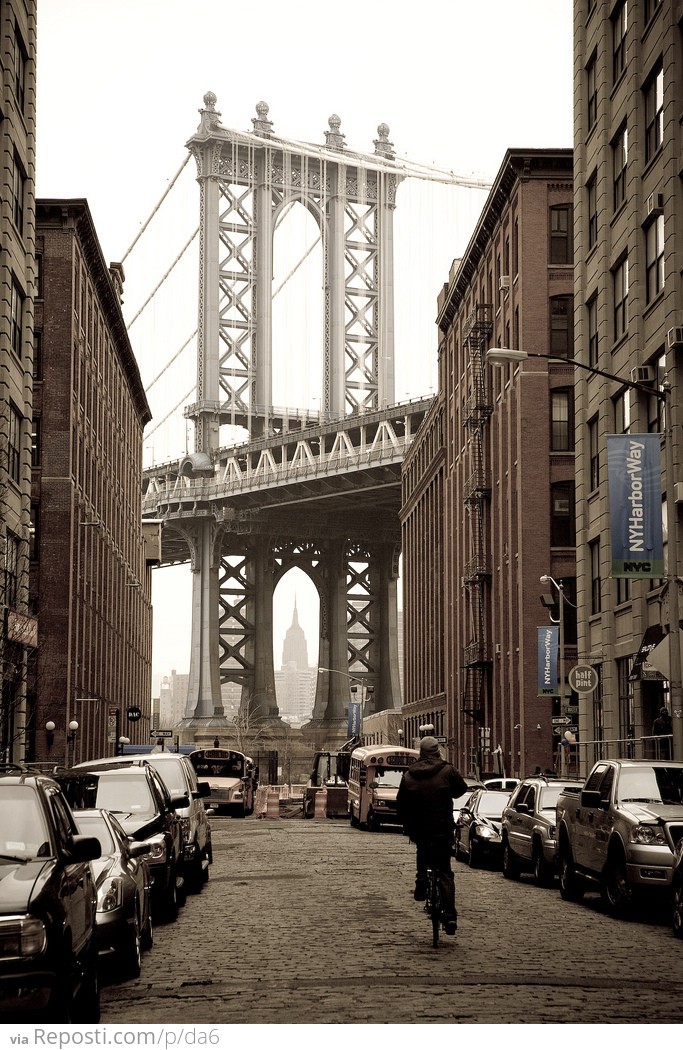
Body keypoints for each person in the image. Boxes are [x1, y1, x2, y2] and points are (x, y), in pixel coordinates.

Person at [396, 736, 468, 935]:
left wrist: (406, 822)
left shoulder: (410, 774)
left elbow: (401, 803)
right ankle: (450, 917)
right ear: (437, 752)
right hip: (442, 829)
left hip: (420, 829)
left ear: (421, 752)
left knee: (422, 852)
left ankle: (421, 883)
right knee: (445, 871)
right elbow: (461, 789)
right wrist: (448, 793)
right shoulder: (447, 771)